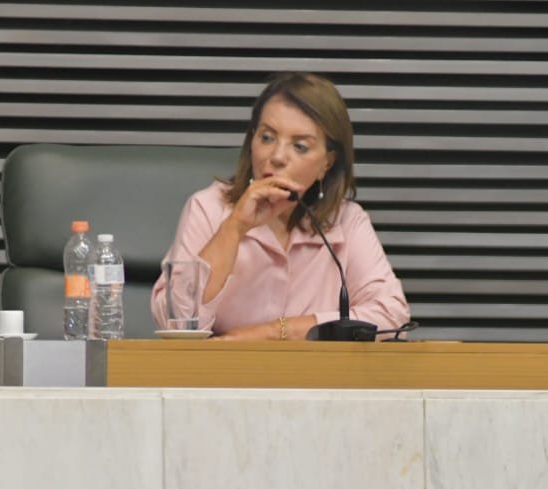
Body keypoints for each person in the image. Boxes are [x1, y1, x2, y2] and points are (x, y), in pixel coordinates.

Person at [152, 72, 409, 341]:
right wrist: (234, 227)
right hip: (223, 368)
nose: (276, 157)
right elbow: (177, 323)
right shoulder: (208, 208)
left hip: (315, 370)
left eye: (299, 146)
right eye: (267, 138)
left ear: (327, 163)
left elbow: (391, 316)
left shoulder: (347, 221)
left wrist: (276, 331)